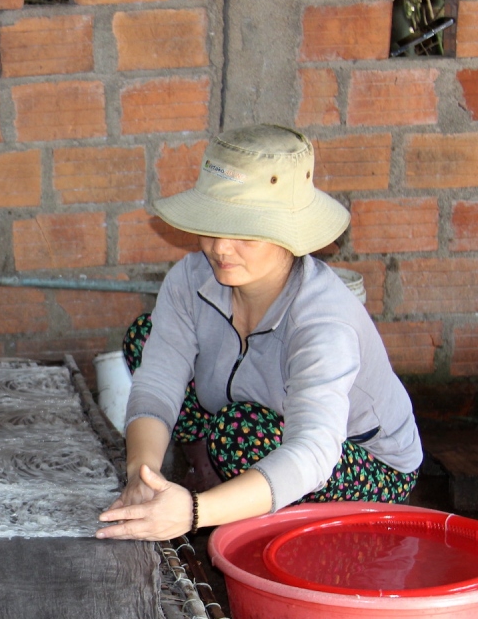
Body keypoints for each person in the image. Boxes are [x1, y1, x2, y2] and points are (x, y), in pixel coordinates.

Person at [96, 124, 421, 542]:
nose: (220, 248)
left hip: (364, 462)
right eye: (212, 226)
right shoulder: (191, 279)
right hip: (258, 414)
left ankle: (232, 505)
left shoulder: (323, 321)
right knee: (147, 336)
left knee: (239, 432)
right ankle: (207, 476)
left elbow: (313, 454)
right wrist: (142, 474)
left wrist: (196, 514)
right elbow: (158, 380)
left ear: (288, 233)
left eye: (245, 233)